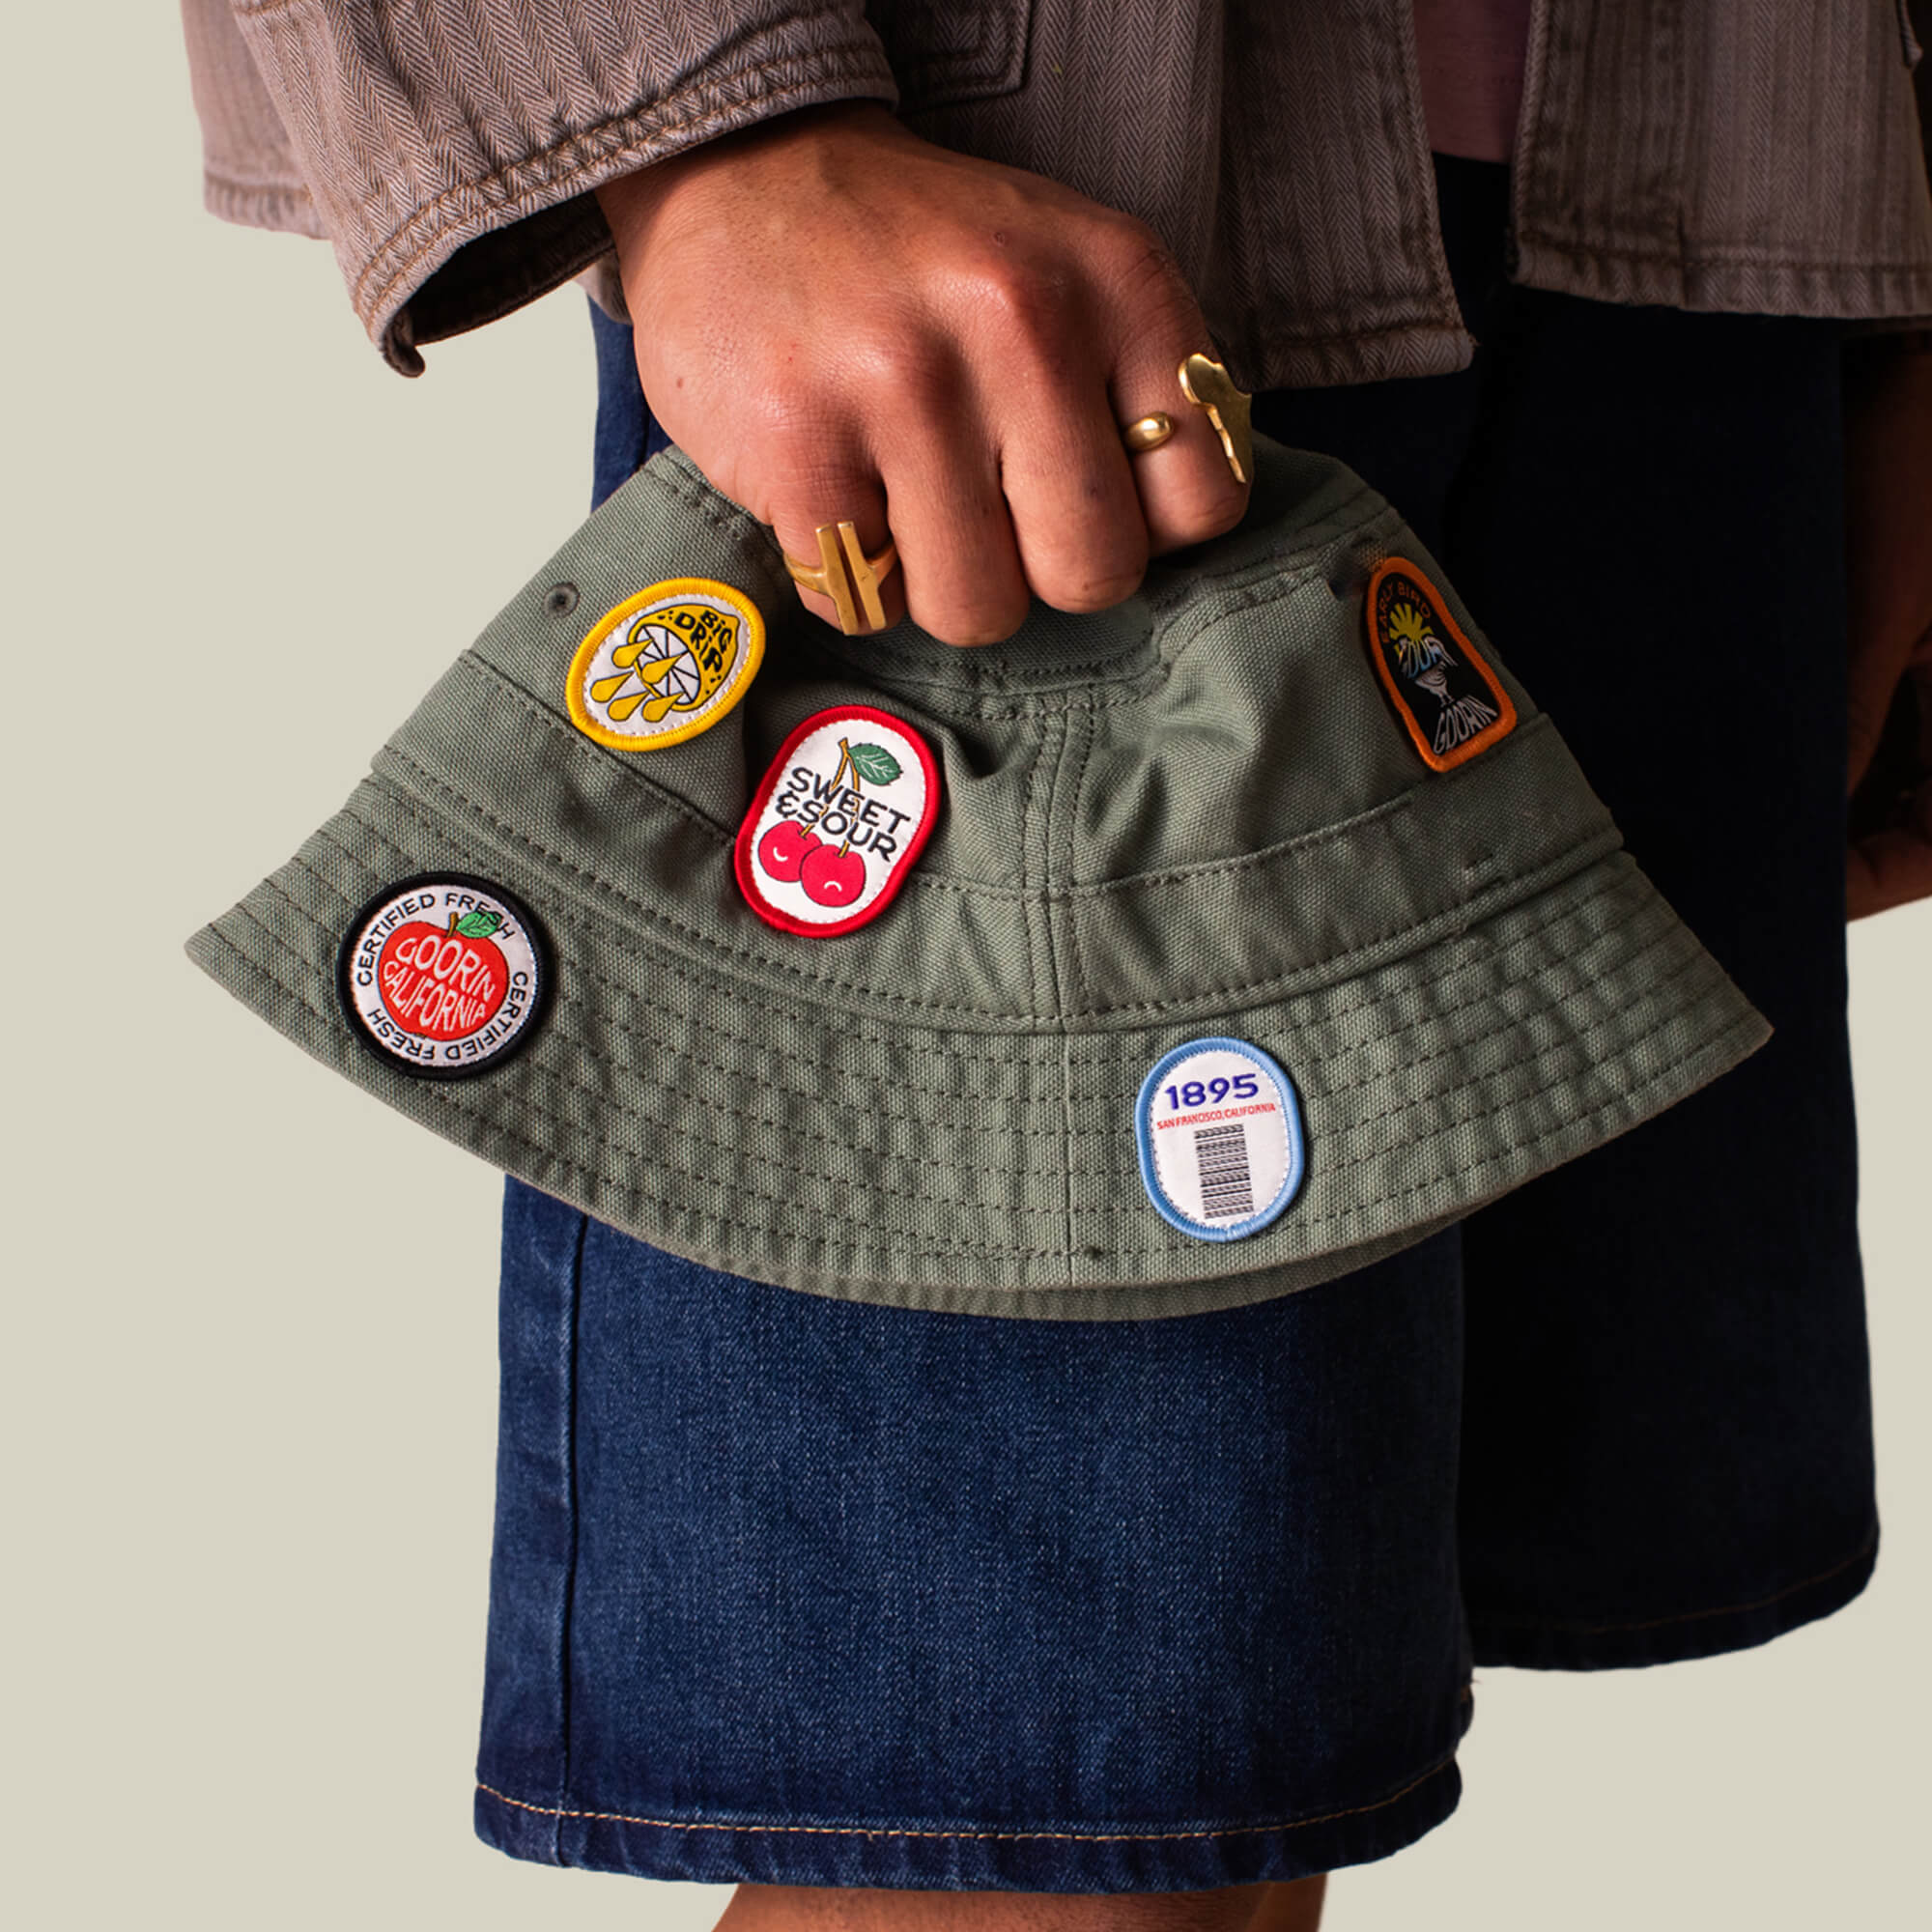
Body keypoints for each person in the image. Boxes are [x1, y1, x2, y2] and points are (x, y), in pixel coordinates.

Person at [181, 3, 1932, 1927]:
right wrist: (690, 128)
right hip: (1005, 238)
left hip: (1718, 201)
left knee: (1254, 1814)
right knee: (1055, 1845)